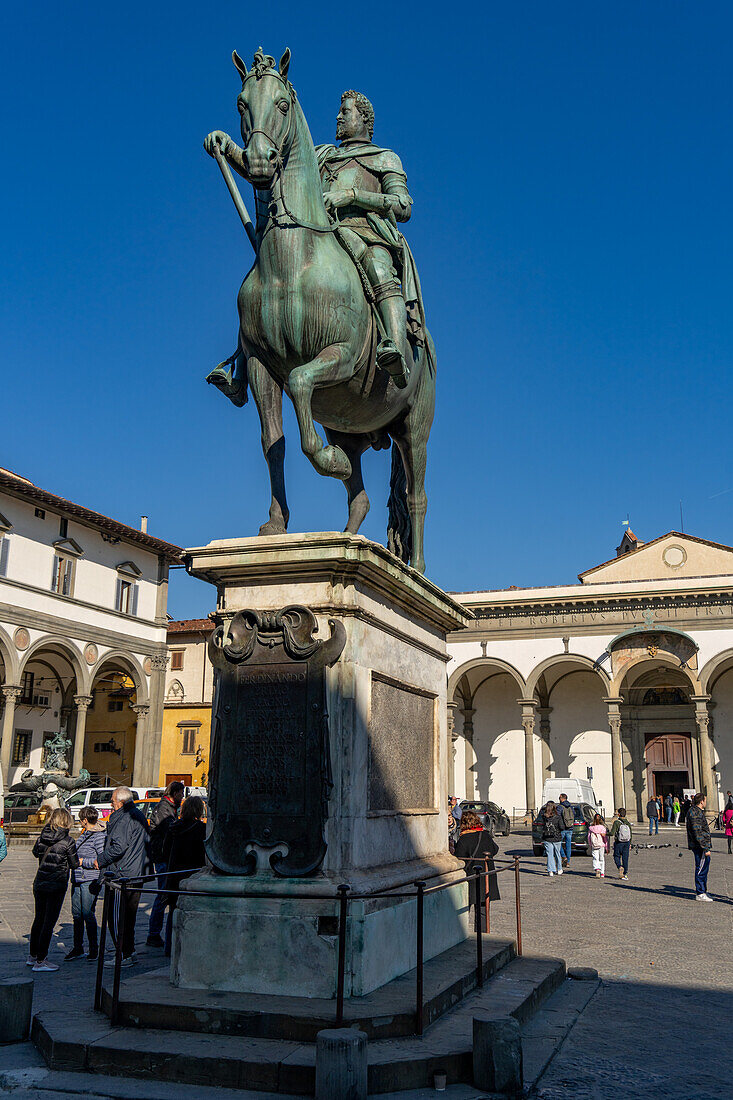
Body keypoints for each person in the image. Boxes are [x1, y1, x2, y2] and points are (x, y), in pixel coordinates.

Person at [94, 786, 151, 966]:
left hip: (122, 874)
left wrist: (100, 859)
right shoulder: (137, 814)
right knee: (129, 917)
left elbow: (119, 847)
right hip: (135, 872)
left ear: (121, 802)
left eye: (112, 801)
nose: (111, 805)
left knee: (118, 918)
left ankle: (122, 955)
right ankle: (129, 951)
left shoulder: (125, 817)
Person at [28, 807, 79, 972]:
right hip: (56, 884)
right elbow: (74, 864)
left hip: (40, 882)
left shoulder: (42, 836)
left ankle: (33, 955)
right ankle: (41, 960)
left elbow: (36, 853)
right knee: (48, 923)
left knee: (38, 920)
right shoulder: (68, 841)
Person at [162, 796, 207, 956]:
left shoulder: (173, 828)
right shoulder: (201, 829)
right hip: (193, 875)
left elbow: (165, 851)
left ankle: (170, 947)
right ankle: (187, 948)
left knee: (173, 911)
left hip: (174, 875)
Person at [146, 781, 185, 948]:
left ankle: (155, 933)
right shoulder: (164, 809)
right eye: (181, 794)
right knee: (162, 896)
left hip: (164, 856)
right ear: (174, 793)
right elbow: (168, 830)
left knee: (163, 895)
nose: (182, 797)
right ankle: (153, 933)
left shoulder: (169, 808)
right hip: (162, 857)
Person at [65, 806, 106, 961]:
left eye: (81, 819)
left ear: (85, 820)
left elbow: (101, 860)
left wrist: (83, 862)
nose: (79, 822)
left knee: (88, 913)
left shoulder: (99, 836)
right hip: (77, 878)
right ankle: (78, 947)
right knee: (77, 914)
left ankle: (94, 949)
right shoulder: (85, 833)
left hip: (89, 878)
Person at [454, 809, 500, 930]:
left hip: (471, 878)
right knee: (483, 911)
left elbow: (459, 858)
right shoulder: (485, 835)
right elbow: (495, 849)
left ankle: (462, 932)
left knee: (464, 908)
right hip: (486, 877)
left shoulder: (464, 839)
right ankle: (483, 935)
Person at [686, 792, 713, 901]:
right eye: (705, 800)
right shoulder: (695, 812)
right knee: (701, 868)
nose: (706, 802)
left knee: (703, 867)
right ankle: (700, 892)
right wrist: (705, 848)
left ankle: (703, 891)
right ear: (701, 801)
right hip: (700, 846)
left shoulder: (696, 811)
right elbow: (697, 832)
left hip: (700, 845)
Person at [537, 801, 564, 877]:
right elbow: (562, 827)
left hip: (547, 837)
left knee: (550, 854)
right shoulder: (558, 816)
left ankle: (550, 870)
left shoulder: (544, 816)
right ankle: (559, 869)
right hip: (556, 837)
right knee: (557, 853)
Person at [608, 807, 633, 879]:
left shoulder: (617, 822)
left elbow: (612, 833)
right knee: (625, 858)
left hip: (619, 842)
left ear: (618, 814)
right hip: (627, 842)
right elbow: (630, 834)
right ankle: (625, 873)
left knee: (616, 856)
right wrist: (630, 844)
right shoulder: (627, 823)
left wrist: (606, 833)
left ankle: (620, 867)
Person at [587, 814, 609, 878]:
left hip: (594, 844)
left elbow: (589, 837)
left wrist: (590, 844)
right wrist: (606, 846)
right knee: (601, 858)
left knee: (595, 858)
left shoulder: (591, 828)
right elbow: (605, 838)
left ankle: (597, 869)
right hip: (601, 844)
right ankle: (602, 872)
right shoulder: (602, 828)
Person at [557, 793, 575, 868]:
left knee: (558, 843)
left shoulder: (560, 807)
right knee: (568, 845)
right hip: (570, 827)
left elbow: (557, 816)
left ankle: (563, 856)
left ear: (561, 798)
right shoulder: (571, 806)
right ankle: (568, 862)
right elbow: (574, 814)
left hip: (562, 828)